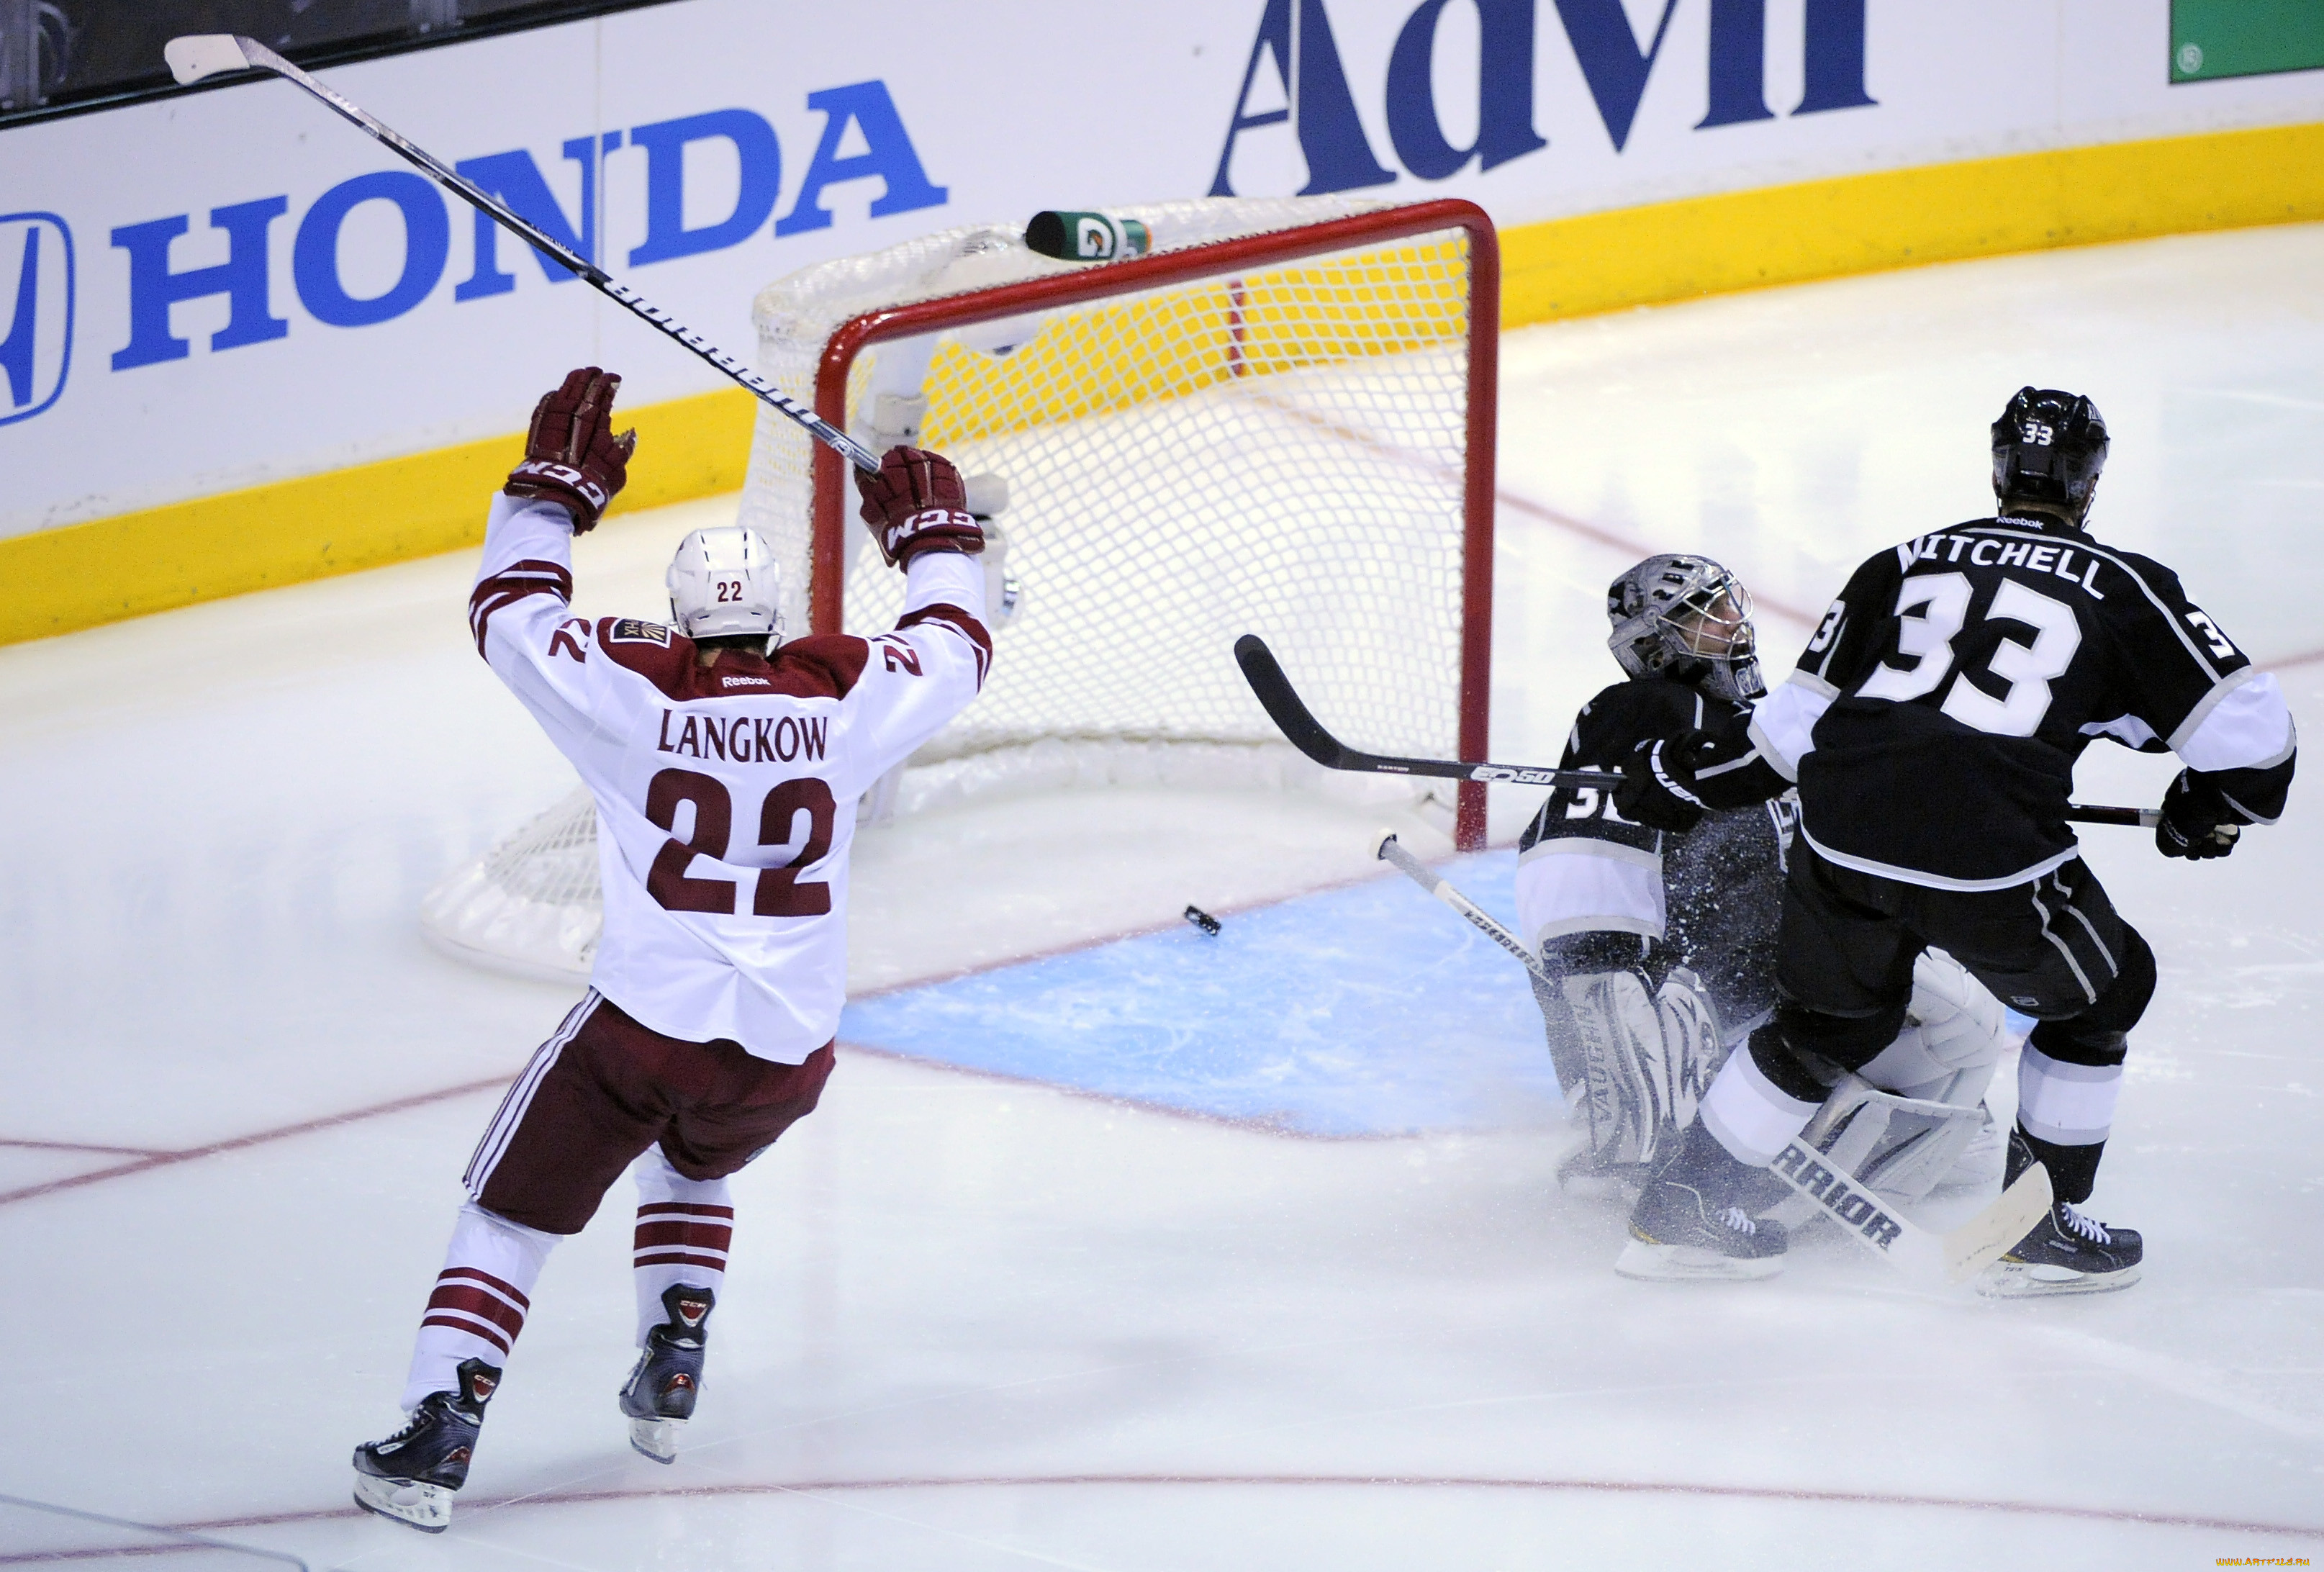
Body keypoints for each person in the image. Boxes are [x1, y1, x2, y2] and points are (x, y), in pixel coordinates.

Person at [351, 369, 995, 1531]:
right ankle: (673, 1360)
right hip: (791, 1049)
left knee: (506, 1214)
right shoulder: (839, 693)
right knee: (695, 1160)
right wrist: (937, 541)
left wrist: (547, 497)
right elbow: (954, 644)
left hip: (643, 1029)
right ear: (781, 606)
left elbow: (507, 614)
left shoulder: (636, 693)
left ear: (682, 611)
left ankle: (436, 1428)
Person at [1612, 388, 2297, 1296]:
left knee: (1826, 1026)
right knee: (2103, 993)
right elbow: (2256, 753)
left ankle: (1680, 1212)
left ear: (1995, 468)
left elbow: (1778, 744)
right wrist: (2202, 809)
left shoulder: (1896, 565)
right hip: (1989, 857)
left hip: (1840, 842)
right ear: (2091, 481)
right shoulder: (2125, 587)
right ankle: (2039, 1232)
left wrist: (1670, 778)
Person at [1518, 555, 2008, 1280]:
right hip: (1725, 975)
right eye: (1699, 615)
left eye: (1724, 605)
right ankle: (1698, 1157)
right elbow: (1591, 839)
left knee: (1955, 1036)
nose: (1728, 622)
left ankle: (1742, 1142)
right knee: (1960, 1026)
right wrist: (1610, 963)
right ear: (1655, 644)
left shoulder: (1764, 725)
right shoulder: (1652, 706)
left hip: (1766, 968)